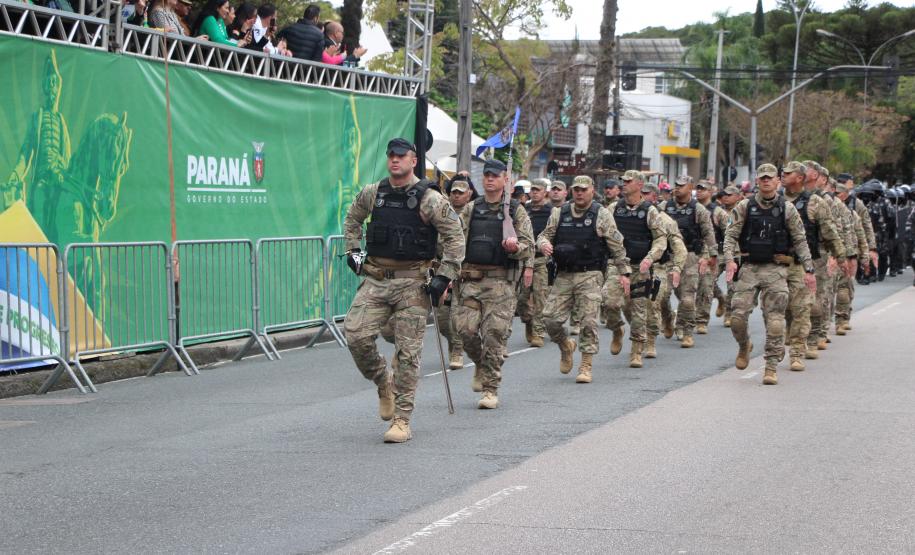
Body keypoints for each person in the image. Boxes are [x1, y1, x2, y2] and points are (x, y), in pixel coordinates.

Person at [342, 138, 465, 443]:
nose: (395, 160)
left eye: (401, 156)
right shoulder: (374, 193)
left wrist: (445, 275)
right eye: (391, 156)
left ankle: (402, 419)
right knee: (356, 336)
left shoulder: (431, 199)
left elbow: (455, 237)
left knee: (408, 353)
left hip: (413, 283)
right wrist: (352, 250)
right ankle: (383, 380)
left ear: (413, 161)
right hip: (376, 279)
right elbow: (352, 220)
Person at [723, 163, 815, 386]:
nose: (766, 181)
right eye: (762, 178)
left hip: (775, 269)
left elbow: (800, 239)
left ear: (777, 182)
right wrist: (729, 260)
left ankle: (771, 366)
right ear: (757, 181)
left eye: (770, 178)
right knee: (737, 317)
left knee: (775, 322)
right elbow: (730, 235)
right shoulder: (745, 206)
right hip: (749, 268)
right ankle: (745, 346)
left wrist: (808, 269)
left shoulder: (787, 209)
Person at [453, 159, 534, 408]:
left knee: (494, 336)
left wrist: (515, 248)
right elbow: (455, 240)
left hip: (501, 283)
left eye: (495, 175)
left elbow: (529, 246)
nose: (489, 179)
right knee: (465, 332)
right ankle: (481, 363)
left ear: (504, 180)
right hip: (471, 280)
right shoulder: (471, 208)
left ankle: (490, 389)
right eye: (486, 175)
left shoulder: (516, 211)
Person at [538, 175, 630, 383]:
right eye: (576, 189)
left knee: (588, 321)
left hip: (591, 274)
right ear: (571, 191)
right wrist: (542, 244)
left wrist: (624, 273)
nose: (579, 193)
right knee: (550, 319)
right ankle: (565, 345)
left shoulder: (602, 214)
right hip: (563, 274)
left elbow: (616, 244)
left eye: (583, 189)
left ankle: (586, 364)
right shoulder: (559, 213)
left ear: (591, 190)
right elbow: (544, 235)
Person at [781, 161, 847, 371]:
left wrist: (841, 257)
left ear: (799, 177)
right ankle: (791, 334)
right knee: (784, 306)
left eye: (788, 173)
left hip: (809, 261)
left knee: (807, 305)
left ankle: (805, 345)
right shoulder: (775, 200)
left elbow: (829, 232)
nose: (783, 175)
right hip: (779, 262)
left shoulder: (816, 202)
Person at [604, 170, 668, 368]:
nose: (624, 184)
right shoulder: (614, 208)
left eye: (628, 181)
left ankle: (636, 351)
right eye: (622, 181)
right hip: (618, 265)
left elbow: (660, 238)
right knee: (609, 301)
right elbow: (604, 233)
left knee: (639, 310)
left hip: (641, 267)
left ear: (640, 185)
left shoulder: (650, 211)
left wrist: (650, 258)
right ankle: (617, 330)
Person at [658, 175, 717, 348]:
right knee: (661, 296)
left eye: (682, 185)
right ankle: (668, 318)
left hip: (691, 257)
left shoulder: (698, 209)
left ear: (690, 187)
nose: (678, 188)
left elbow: (708, 233)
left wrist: (710, 256)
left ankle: (687, 331)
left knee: (688, 299)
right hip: (668, 257)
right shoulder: (663, 207)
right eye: (676, 185)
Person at [640, 182, 687, 359]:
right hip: (633, 266)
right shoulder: (626, 214)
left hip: (658, 267)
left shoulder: (665, 220)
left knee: (653, 300)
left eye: (647, 194)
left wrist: (677, 268)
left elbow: (679, 248)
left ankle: (650, 340)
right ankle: (666, 318)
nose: (643, 196)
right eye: (641, 193)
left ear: (654, 197)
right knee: (629, 305)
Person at [518, 178, 552, 348]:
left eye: (538, 189)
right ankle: (529, 322)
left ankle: (538, 332)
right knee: (522, 299)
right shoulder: (524, 210)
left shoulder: (551, 212)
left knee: (540, 297)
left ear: (545, 191)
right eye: (532, 189)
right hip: (523, 260)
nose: (535, 192)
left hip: (541, 260)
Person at [695, 180, 729, 333]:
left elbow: (728, 233)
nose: (700, 192)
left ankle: (701, 320)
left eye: (704, 189)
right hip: (693, 252)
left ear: (710, 192)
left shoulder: (718, 212)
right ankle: (721, 297)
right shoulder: (692, 208)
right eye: (698, 189)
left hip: (713, 252)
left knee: (706, 285)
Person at [717, 185, 742, 327]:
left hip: (735, 252)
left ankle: (729, 313)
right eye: (724, 194)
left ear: (738, 196)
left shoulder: (742, 211)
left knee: (732, 286)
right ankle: (720, 298)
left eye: (730, 194)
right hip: (717, 251)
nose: (726, 197)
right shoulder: (716, 211)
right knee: (707, 282)